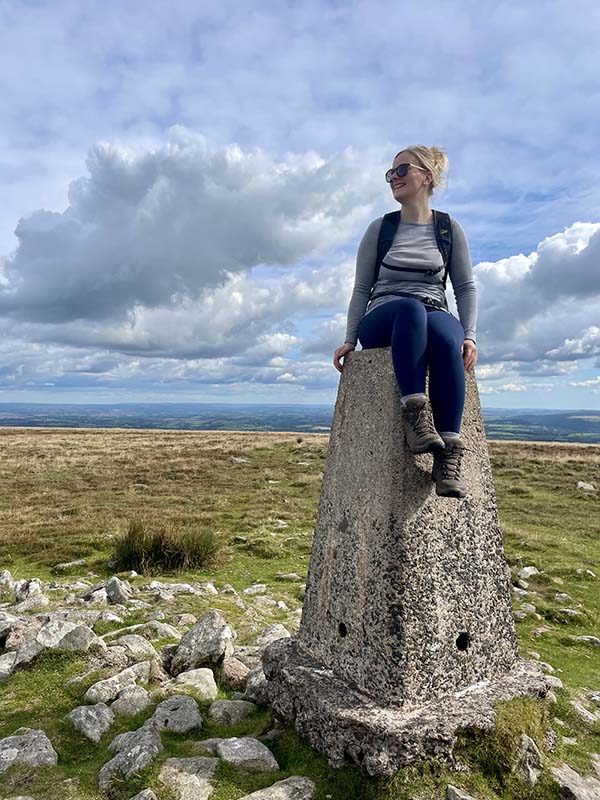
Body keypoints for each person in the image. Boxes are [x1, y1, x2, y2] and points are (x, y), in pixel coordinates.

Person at [333, 145, 478, 498]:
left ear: (426, 177)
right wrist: (350, 338)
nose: (392, 178)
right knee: (410, 309)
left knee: (447, 336)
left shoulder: (448, 228)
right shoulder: (381, 228)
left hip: (432, 311)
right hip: (384, 318)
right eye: (390, 173)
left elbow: (464, 286)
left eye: (401, 171)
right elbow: (362, 288)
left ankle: (448, 455)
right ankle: (415, 413)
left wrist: (470, 336)